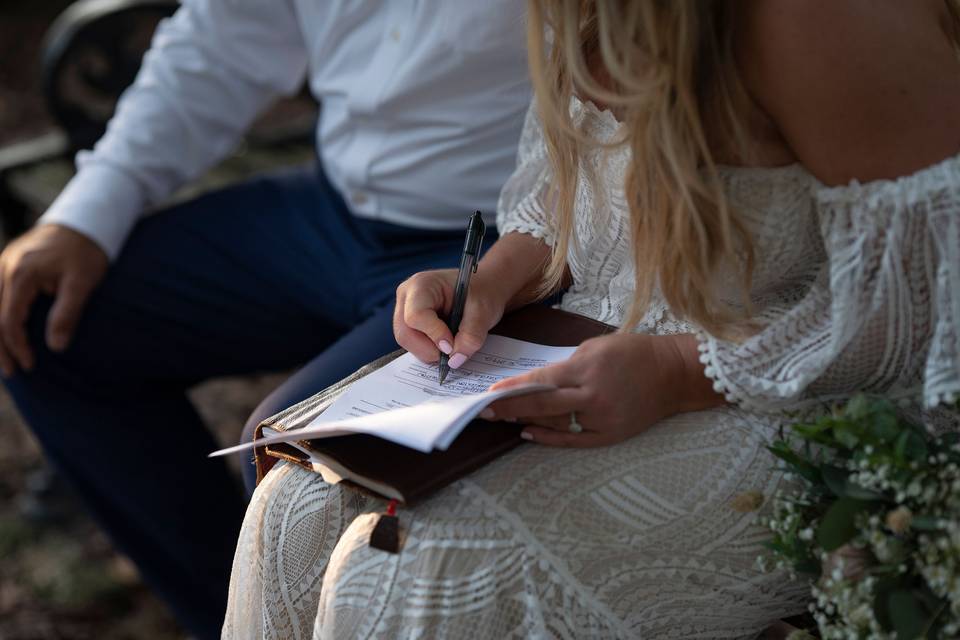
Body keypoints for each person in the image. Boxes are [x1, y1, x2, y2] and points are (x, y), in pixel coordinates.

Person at [222, 0, 960, 637]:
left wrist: (676, 371)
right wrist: (492, 278)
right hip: (588, 343)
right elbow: (569, 206)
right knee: (294, 512)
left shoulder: (816, 20)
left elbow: (920, 301)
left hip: (796, 392)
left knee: (418, 570)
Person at [0, 2, 531, 638]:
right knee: (45, 325)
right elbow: (220, 41)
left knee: (290, 455)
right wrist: (82, 216)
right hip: (334, 210)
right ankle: (229, 614)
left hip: (498, 240)